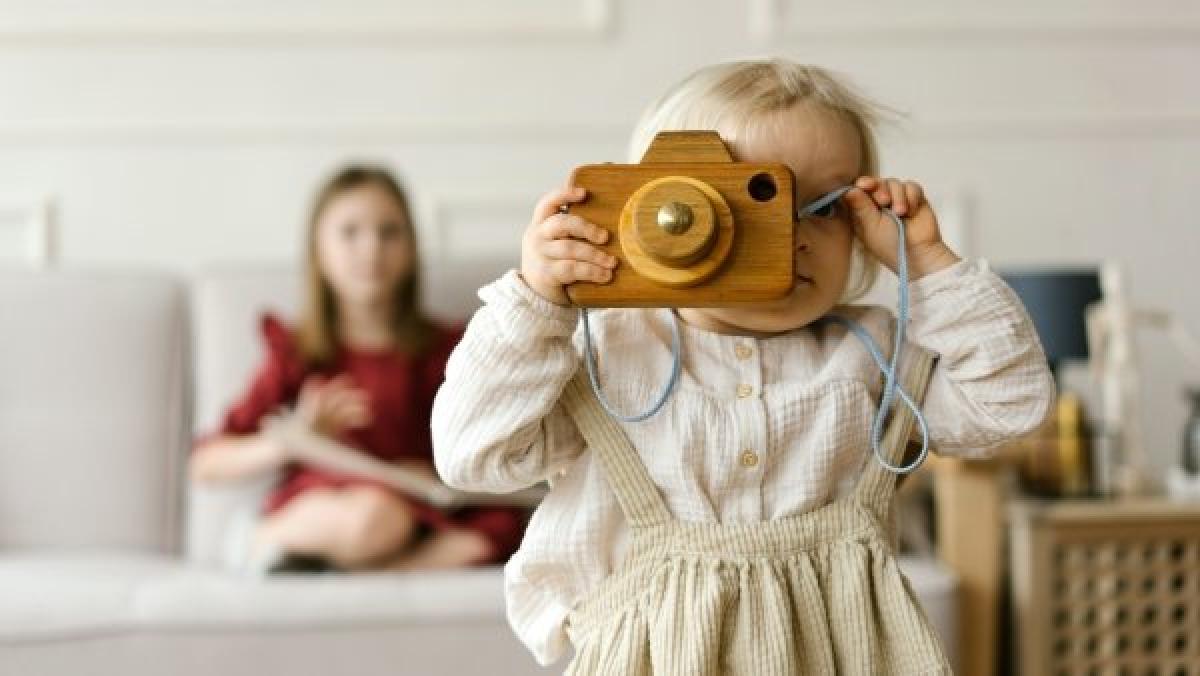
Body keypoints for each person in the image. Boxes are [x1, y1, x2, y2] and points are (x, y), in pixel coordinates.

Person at [432, 60, 1055, 671]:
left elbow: (1012, 404)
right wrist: (534, 304)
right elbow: (473, 453)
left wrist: (927, 263)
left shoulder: (872, 356)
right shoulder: (610, 357)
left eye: (825, 206)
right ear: (661, 215)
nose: (793, 235)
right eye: (753, 203)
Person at [190, 165, 527, 574]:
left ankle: (359, 573)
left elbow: (481, 442)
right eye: (350, 233)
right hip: (336, 505)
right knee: (373, 518)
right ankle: (261, 539)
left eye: (389, 232)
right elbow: (206, 463)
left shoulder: (445, 351)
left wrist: (438, 475)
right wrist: (293, 441)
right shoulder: (299, 353)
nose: (371, 249)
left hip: (417, 506)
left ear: (411, 247)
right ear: (319, 250)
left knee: (496, 532)